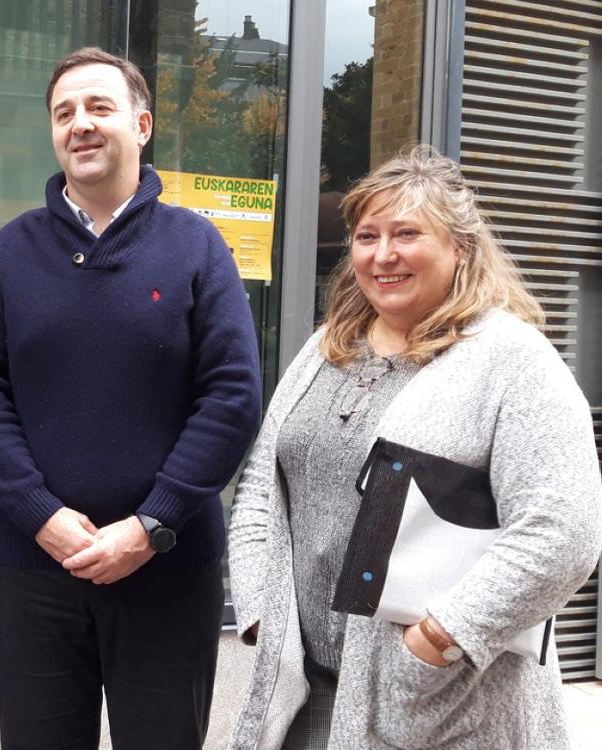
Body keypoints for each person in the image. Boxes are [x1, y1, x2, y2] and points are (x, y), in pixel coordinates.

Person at [226, 145, 602, 749]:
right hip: (305, 695)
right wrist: (261, 614)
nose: (383, 255)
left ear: (460, 247)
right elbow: (262, 486)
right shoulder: (328, 348)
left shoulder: (512, 364)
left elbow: (563, 534)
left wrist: (434, 642)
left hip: (437, 704)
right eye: (367, 235)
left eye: (407, 233)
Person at [0, 47, 263, 749]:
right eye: (65, 113)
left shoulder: (196, 246)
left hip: (166, 565)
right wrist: (40, 515)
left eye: (99, 107)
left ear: (143, 123)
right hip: (36, 565)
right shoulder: (13, 250)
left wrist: (151, 524)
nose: (81, 124)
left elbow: (232, 395)